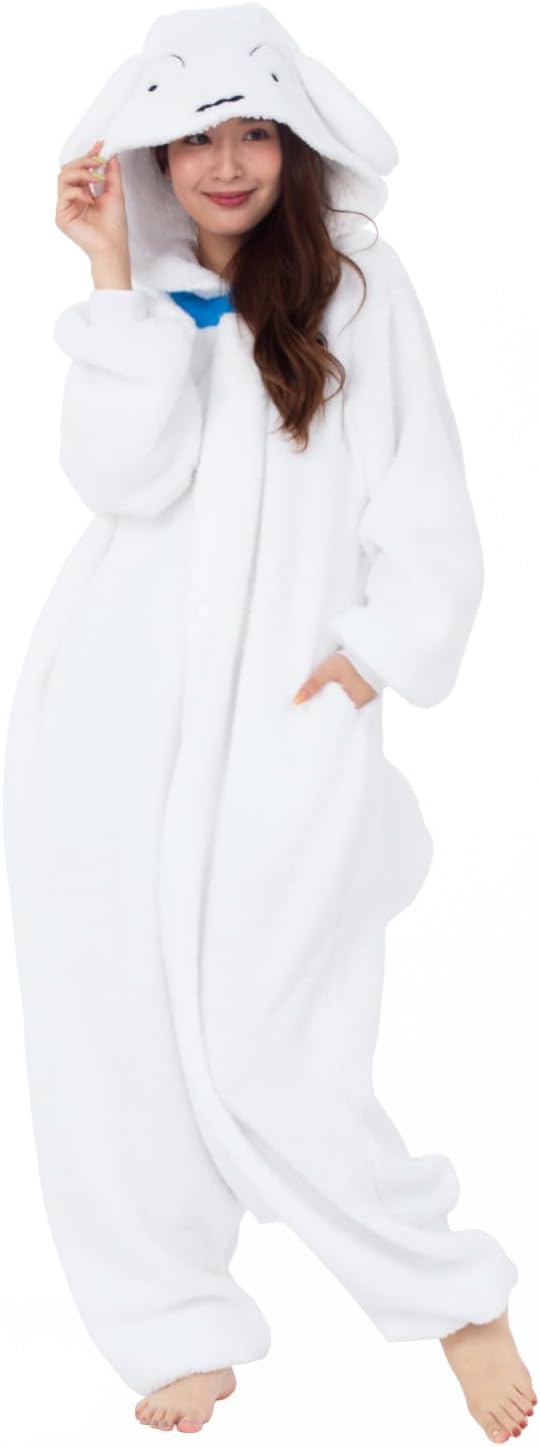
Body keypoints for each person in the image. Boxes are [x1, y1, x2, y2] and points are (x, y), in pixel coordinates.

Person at [3, 3, 536, 1438]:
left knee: (270, 1034)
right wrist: (111, 278)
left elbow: (426, 489)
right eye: (194, 138)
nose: (226, 163)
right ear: (151, 154)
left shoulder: (356, 284)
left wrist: (374, 656)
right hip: (111, 719)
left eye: (252, 131)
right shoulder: (148, 296)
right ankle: (170, 1316)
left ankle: (451, 1294)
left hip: (285, 719)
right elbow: (119, 481)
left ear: (295, 141)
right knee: (107, 1029)